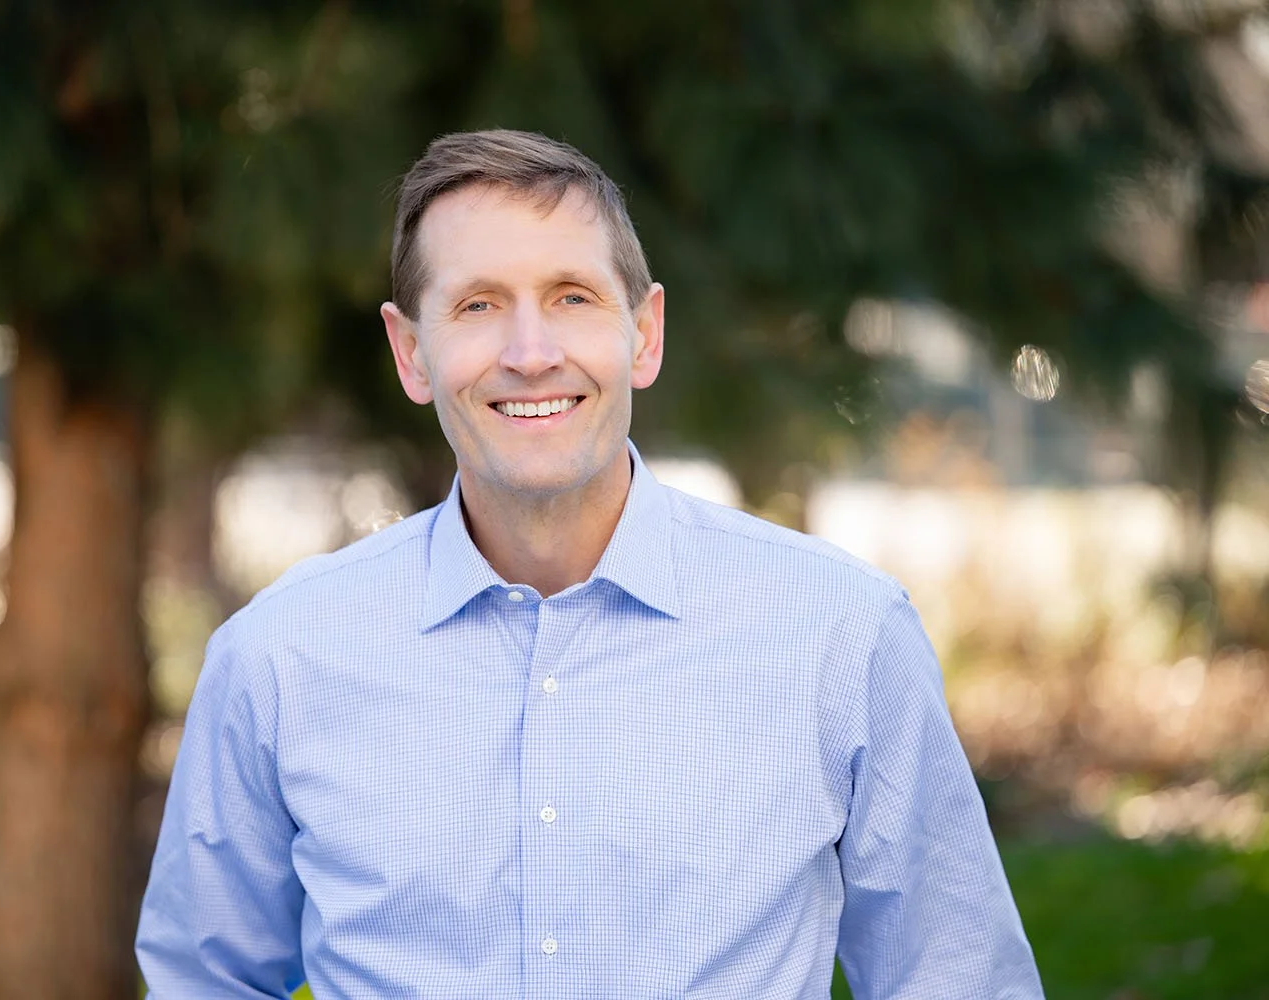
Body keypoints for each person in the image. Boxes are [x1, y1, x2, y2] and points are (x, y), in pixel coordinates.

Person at [136, 129, 1045, 999]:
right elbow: (202, 982)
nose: (532, 354)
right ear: (411, 352)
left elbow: (957, 981)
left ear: (644, 335)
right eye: (478, 305)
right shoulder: (279, 659)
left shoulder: (842, 637)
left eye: (572, 296)